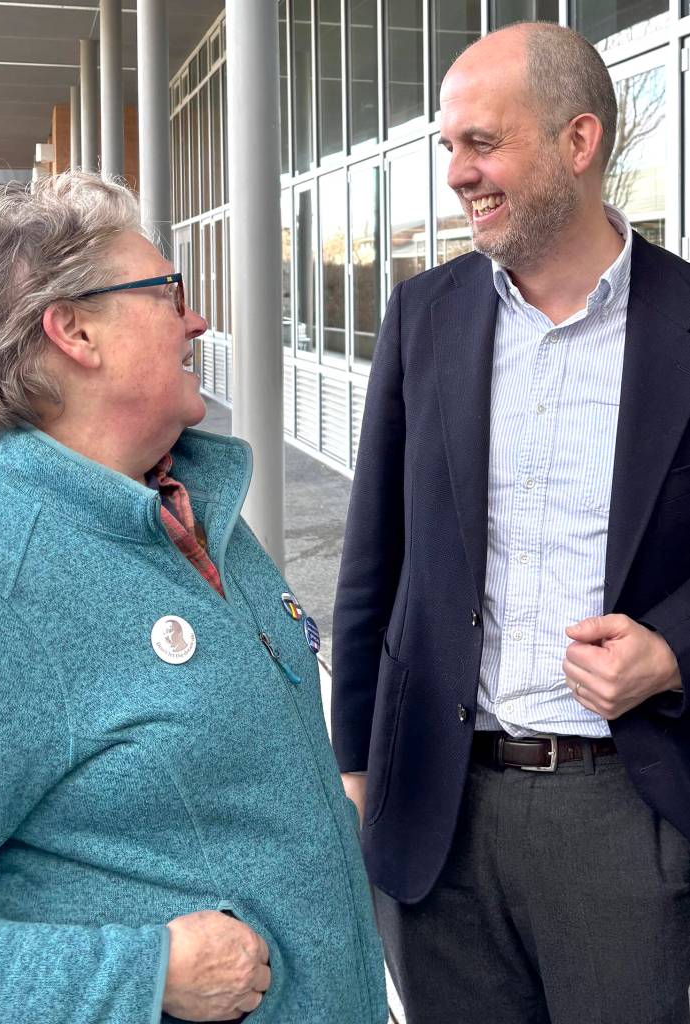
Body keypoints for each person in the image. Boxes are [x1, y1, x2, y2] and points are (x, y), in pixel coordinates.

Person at [0, 171, 387, 1024]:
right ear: (73, 331)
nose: (197, 319)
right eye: (167, 292)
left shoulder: (180, 503)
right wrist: (141, 972)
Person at [332, 21, 690, 1024]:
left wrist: (669, 648)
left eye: (479, 143)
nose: (455, 173)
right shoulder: (422, 315)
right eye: (447, 146)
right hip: (434, 813)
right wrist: (353, 772)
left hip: (621, 807)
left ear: (578, 143)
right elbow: (372, 561)